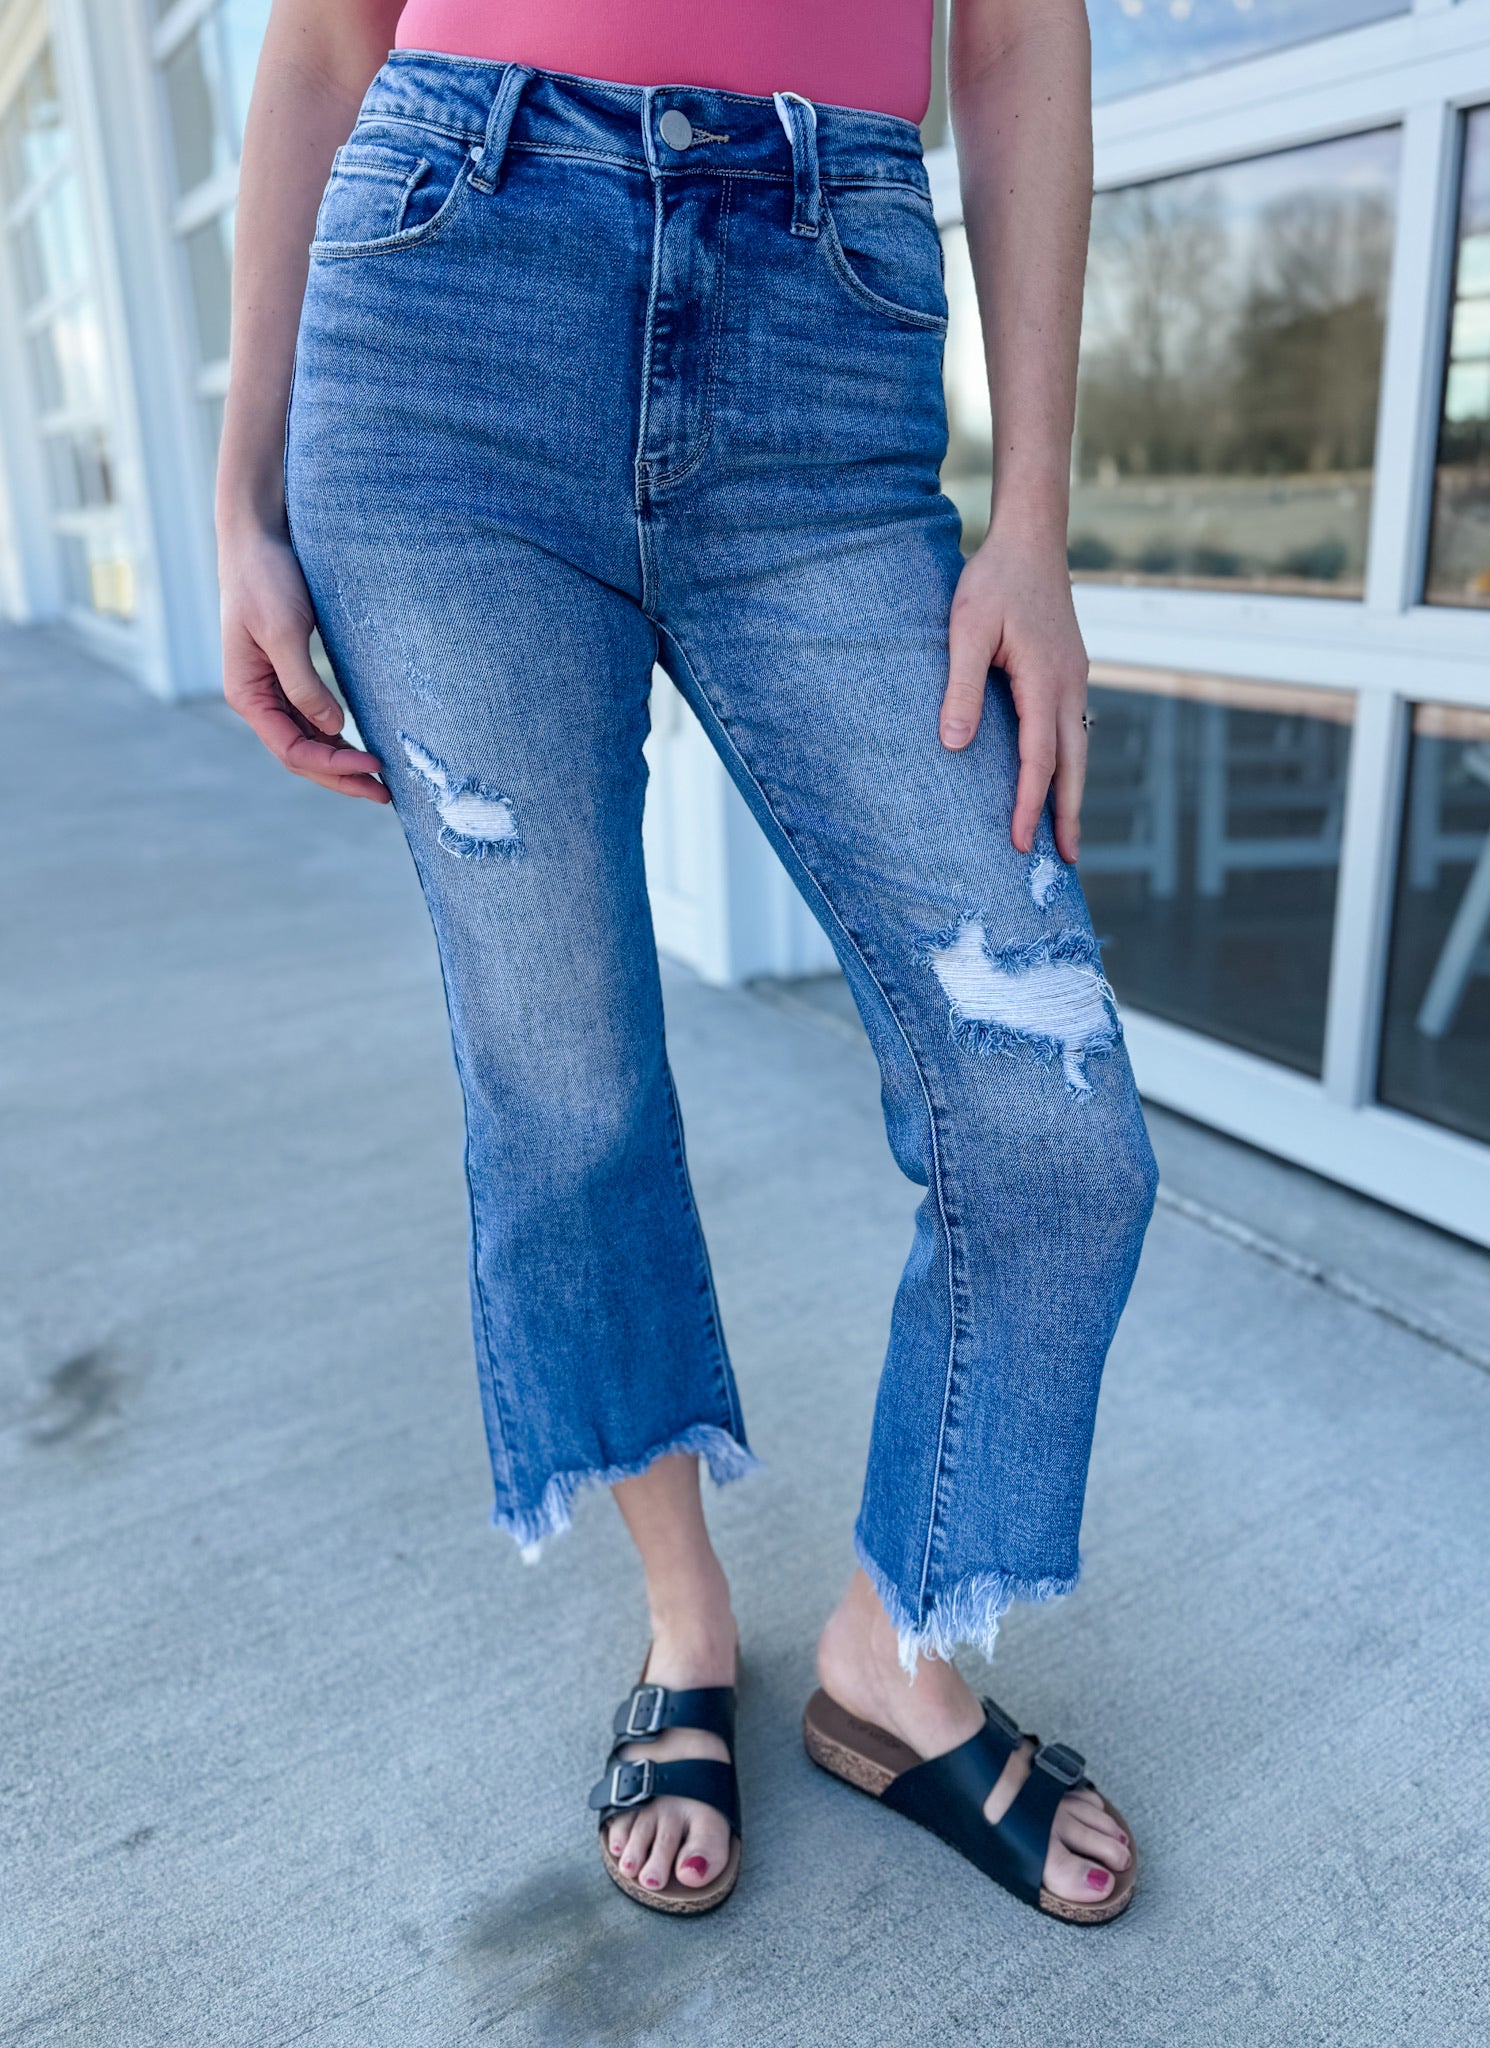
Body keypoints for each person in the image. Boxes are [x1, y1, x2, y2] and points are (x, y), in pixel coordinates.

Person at [216, 0, 1158, 1924]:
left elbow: (1016, 36)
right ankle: (684, 1618)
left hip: (825, 335)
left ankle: (892, 1654)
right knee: (562, 1095)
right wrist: (240, 493)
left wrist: (1034, 521)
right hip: (448, 306)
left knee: (1049, 1109)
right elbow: (320, 46)